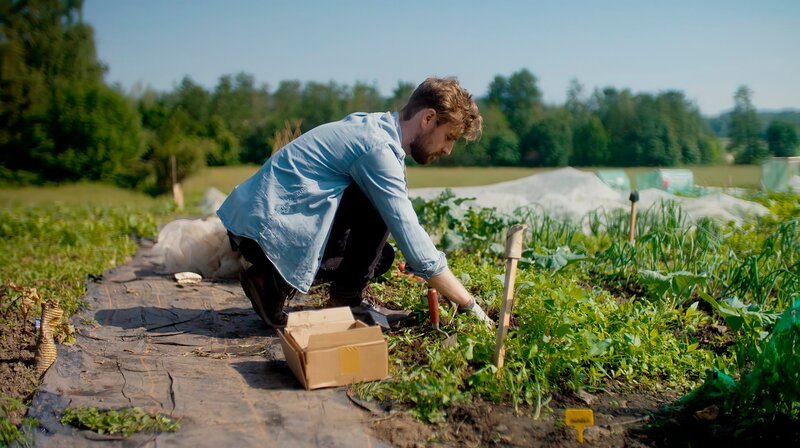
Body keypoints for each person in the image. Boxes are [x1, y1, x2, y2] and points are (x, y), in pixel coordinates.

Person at [217, 77, 493, 329]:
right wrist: (470, 305)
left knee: (382, 258)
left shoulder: (374, 128)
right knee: (381, 204)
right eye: (449, 137)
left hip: (258, 224)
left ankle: (340, 299)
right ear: (428, 118)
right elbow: (416, 247)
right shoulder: (378, 150)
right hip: (265, 232)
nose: (448, 150)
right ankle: (272, 281)